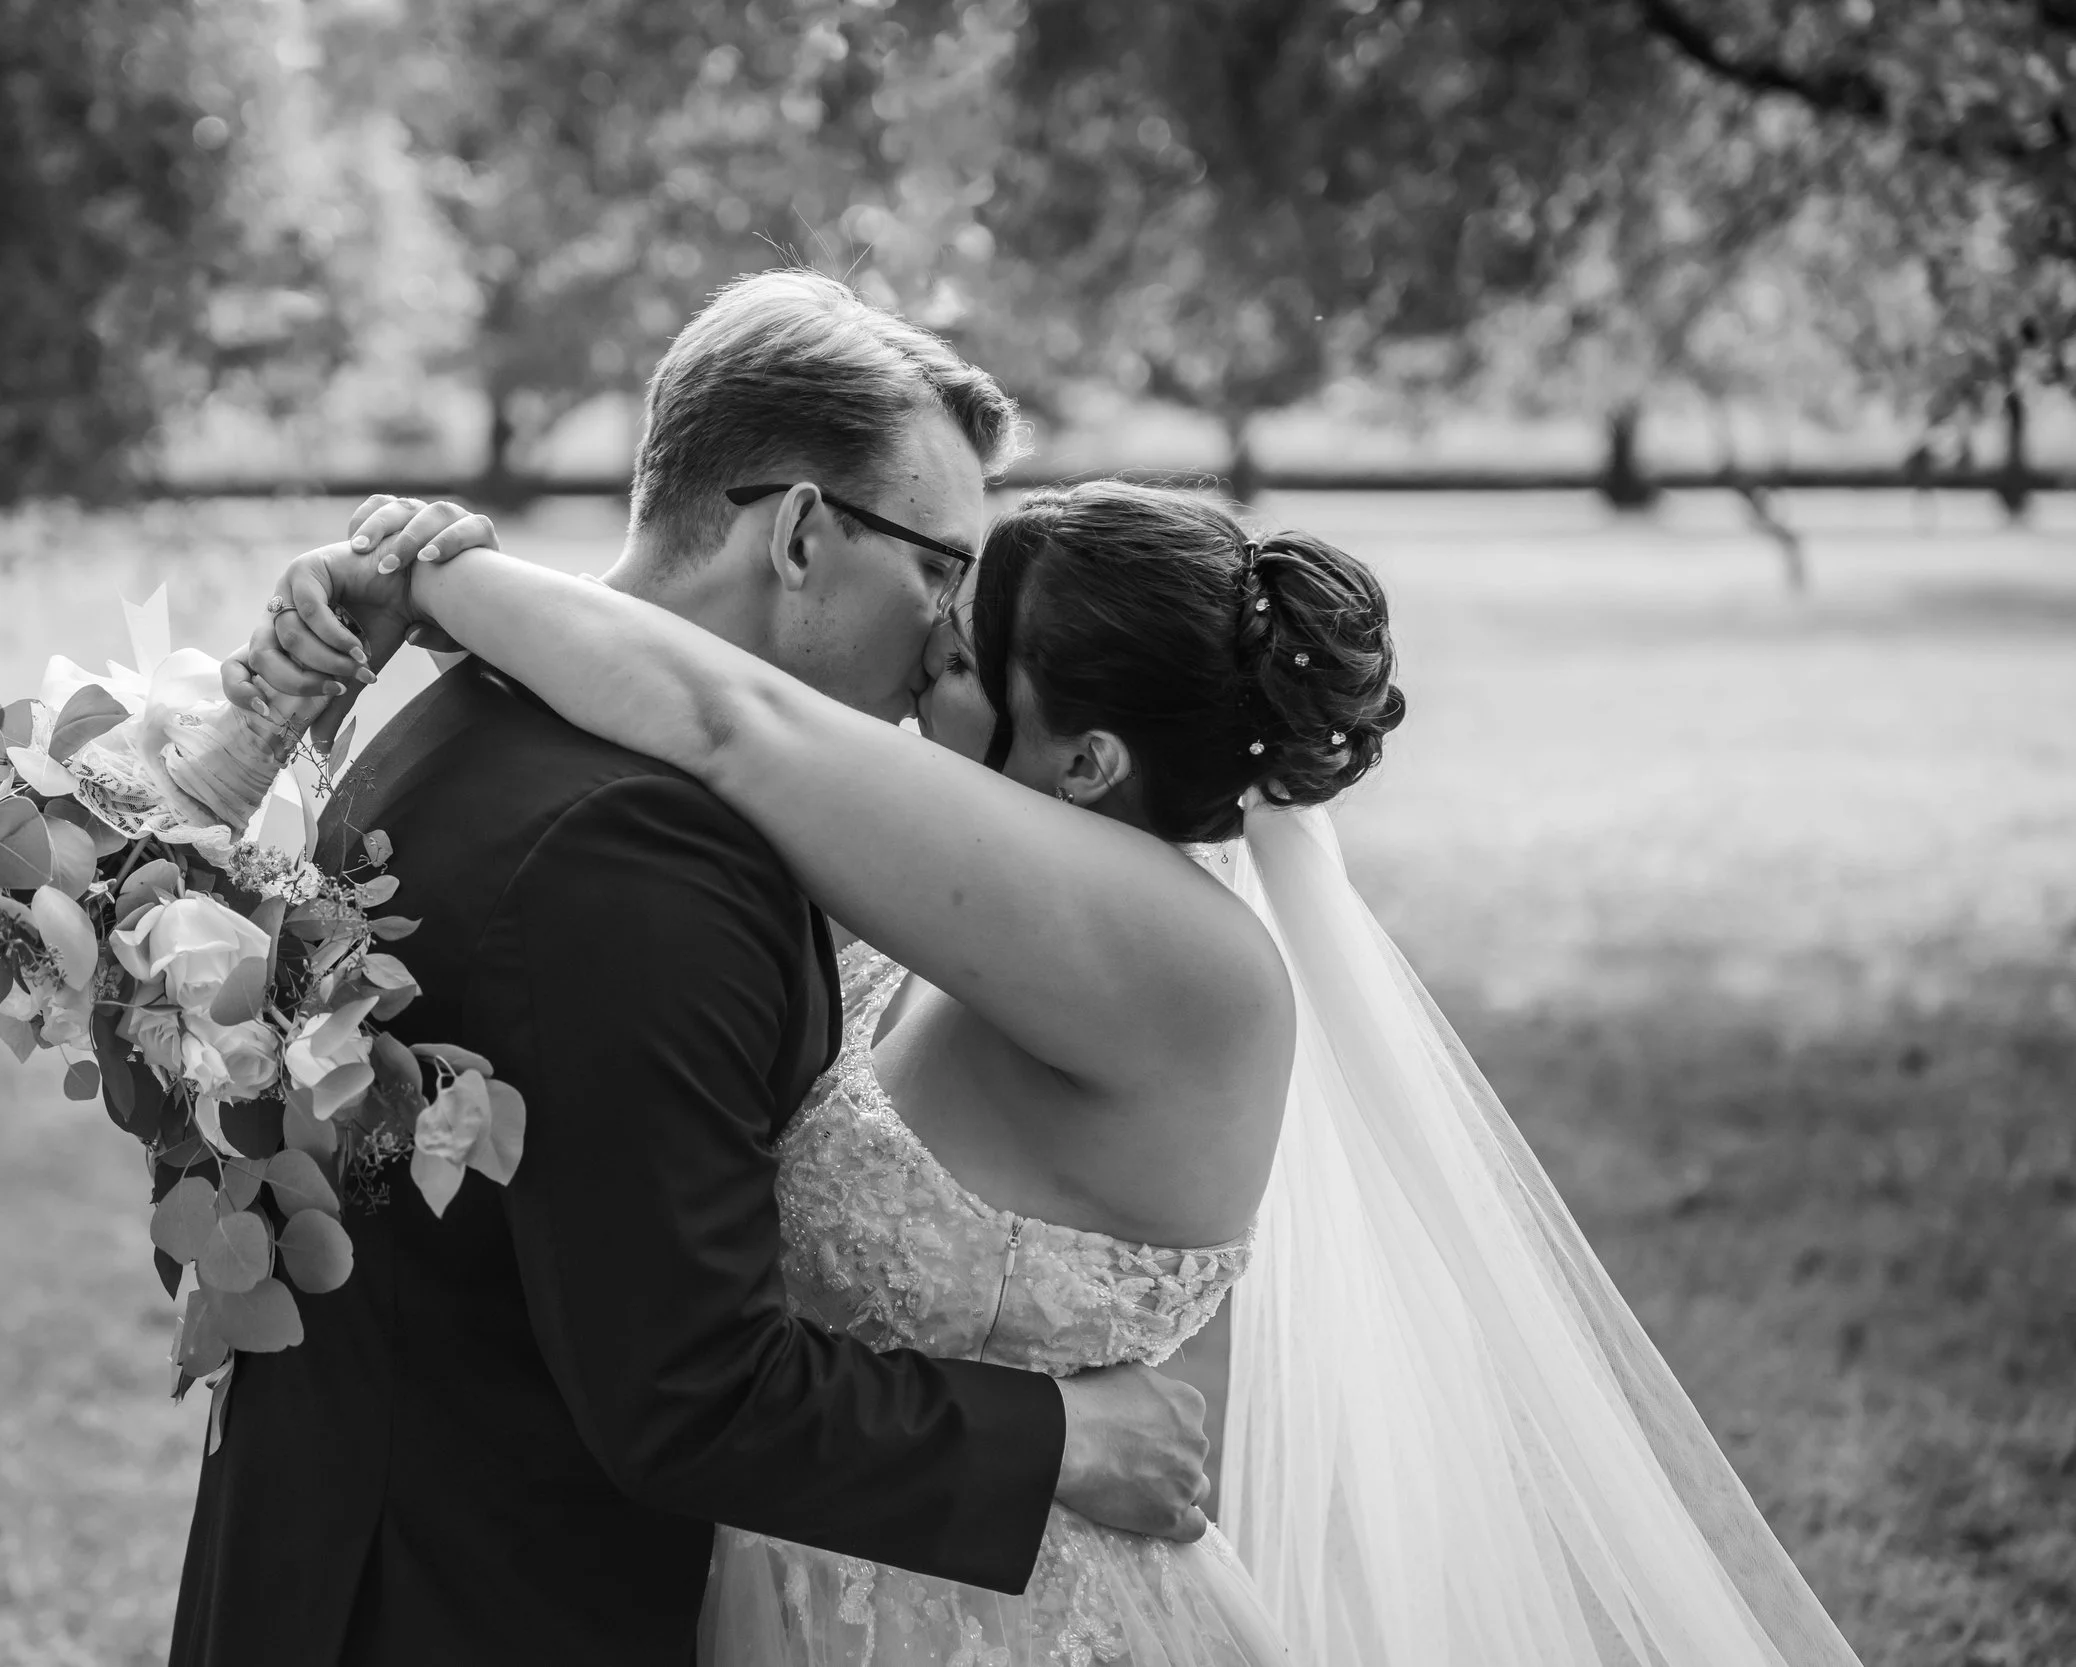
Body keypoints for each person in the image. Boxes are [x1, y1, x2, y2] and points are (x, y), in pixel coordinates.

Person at [232, 442, 1871, 1660]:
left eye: (957, 664)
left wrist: (428, 562)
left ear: (1084, 755)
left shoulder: (1164, 956)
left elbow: (732, 721)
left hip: (1003, 1609)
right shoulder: (1001, 898)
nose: (912, 687)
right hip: (840, 1568)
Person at [132, 271, 1215, 1667]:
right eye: (943, 564)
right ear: (807, 536)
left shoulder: (469, 709)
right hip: (475, 1602)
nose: (956, 632)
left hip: (339, 1549)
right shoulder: (639, 857)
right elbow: (692, 1391)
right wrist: (1060, 1436)